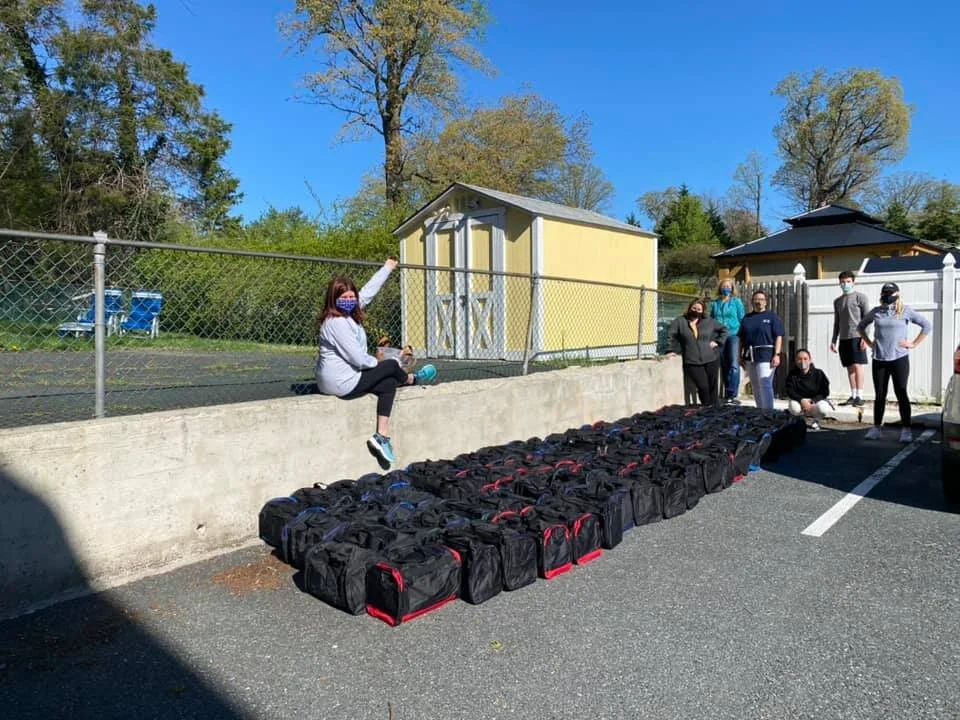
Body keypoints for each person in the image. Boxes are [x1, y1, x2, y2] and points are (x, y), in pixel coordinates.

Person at [315, 258, 437, 468]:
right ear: (333, 300)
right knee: (390, 366)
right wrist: (381, 361)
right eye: (343, 297)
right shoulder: (336, 323)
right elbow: (359, 359)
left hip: (346, 378)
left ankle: (382, 436)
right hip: (341, 383)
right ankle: (411, 379)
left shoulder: (350, 313)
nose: (349, 299)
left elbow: (369, 291)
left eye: (352, 295)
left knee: (388, 384)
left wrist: (388, 267)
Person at [857, 281, 931, 443]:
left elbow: (926, 326)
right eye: (885, 293)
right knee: (880, 395)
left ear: (897, 294)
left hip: (899, 358)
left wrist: (913, 343)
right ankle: (876, 428)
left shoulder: (905, 311)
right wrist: (870, 343)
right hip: (880, 359)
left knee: (901, 392)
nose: (888, 296)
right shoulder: (877, 312)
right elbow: (861, 326)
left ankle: (906, 429)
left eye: (891, 293)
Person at [667, 298, 728, 406]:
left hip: (711, 358)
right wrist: (670, 350)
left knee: (712, 388)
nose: (696, 311)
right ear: (689, 308)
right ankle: (706, 408)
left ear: (703, 310)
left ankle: (714, 411)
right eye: (694, 308)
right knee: (703, 387)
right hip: (692, 360)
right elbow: (671, 336)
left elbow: (724, 330)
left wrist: (718, 342)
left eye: (699, 309)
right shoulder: (680, 321)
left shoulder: (709, 321)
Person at [829, 270, 871, 407]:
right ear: (839, 283)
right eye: (842, 282)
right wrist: (834, 340)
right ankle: (853, 395)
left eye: (848, 281)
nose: (845, 284)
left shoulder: (861, 298)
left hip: (857, 336)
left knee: (857, 365)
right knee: (849, 367)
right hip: (844, 338)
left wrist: (865, 337)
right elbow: (837, 322)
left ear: (853, 282)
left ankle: (860, 395)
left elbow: (867, 319)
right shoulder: (837, 301)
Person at [738, 290, 784, 410]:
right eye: (756, 299)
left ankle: (768, 412)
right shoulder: (747, 318)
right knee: (755, 385)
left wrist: (777, 354)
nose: (759, 302)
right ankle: (760, 411)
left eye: (761, 299)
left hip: (766, 354)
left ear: (766, 302)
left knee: (765, 384)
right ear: (752, 301)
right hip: (750, 355)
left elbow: (779, 336)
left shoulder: (772, 317)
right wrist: (740, 355)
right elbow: (741, 338)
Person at [710, 278, 746, 405]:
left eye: (729, 286)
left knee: (733, 365)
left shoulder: (736, 302)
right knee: (724, 365)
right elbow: (710, 320)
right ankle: (726, 394)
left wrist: (743, 337)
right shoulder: (715, 303)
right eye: (724, 286)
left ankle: (732, 394)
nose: (727, 288)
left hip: (733, 335)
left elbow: (742, 319)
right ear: (720, 287)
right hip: (718, 337)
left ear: (732, 288)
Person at [785, 349, 832, 430]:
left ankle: (816, 421)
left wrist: (813, 401)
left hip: (814, 402)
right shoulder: (792, 374)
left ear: (810, 360)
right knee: (793, 406)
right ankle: (799, 420)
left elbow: (825, 391)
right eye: (799, 359)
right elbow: (789, 391)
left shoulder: (819, 373)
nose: (802, 361)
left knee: (823, 407)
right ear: (796, 361)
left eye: (805, 359)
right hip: (800, 402)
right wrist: (801, 400)